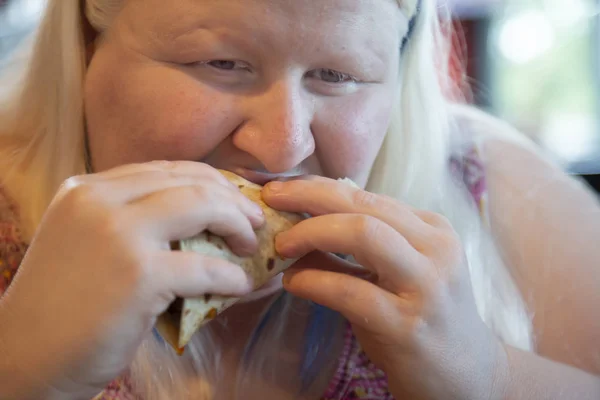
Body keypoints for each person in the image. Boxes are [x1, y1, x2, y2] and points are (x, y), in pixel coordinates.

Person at [0, 0, 599, 399]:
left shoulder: (496, 189)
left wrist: (493, 378)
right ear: (86, 46)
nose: (282, 147)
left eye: (337, 76)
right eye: (222, 62)